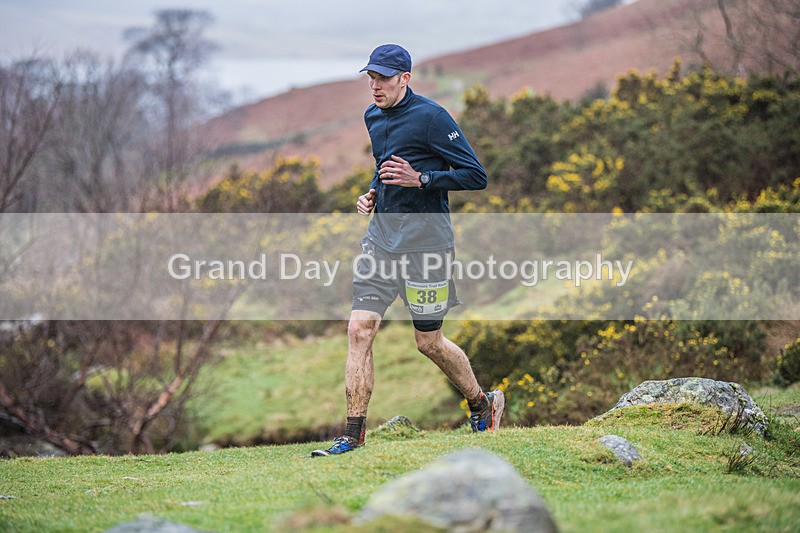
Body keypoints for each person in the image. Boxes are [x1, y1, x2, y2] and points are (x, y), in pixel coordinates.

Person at [311, 44, 503, 457]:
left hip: (427, 247)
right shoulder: (372, 116)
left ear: (405, 78)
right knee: (359, 330)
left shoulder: (432, 117)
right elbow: (384, 166)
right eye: (371, 77)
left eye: (382, 77)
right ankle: (353, 434)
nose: (374, 85)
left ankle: (481, 405)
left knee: (428, 342)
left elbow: (475, 175)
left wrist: (423, 179)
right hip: (381, 242)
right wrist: (372, 194)